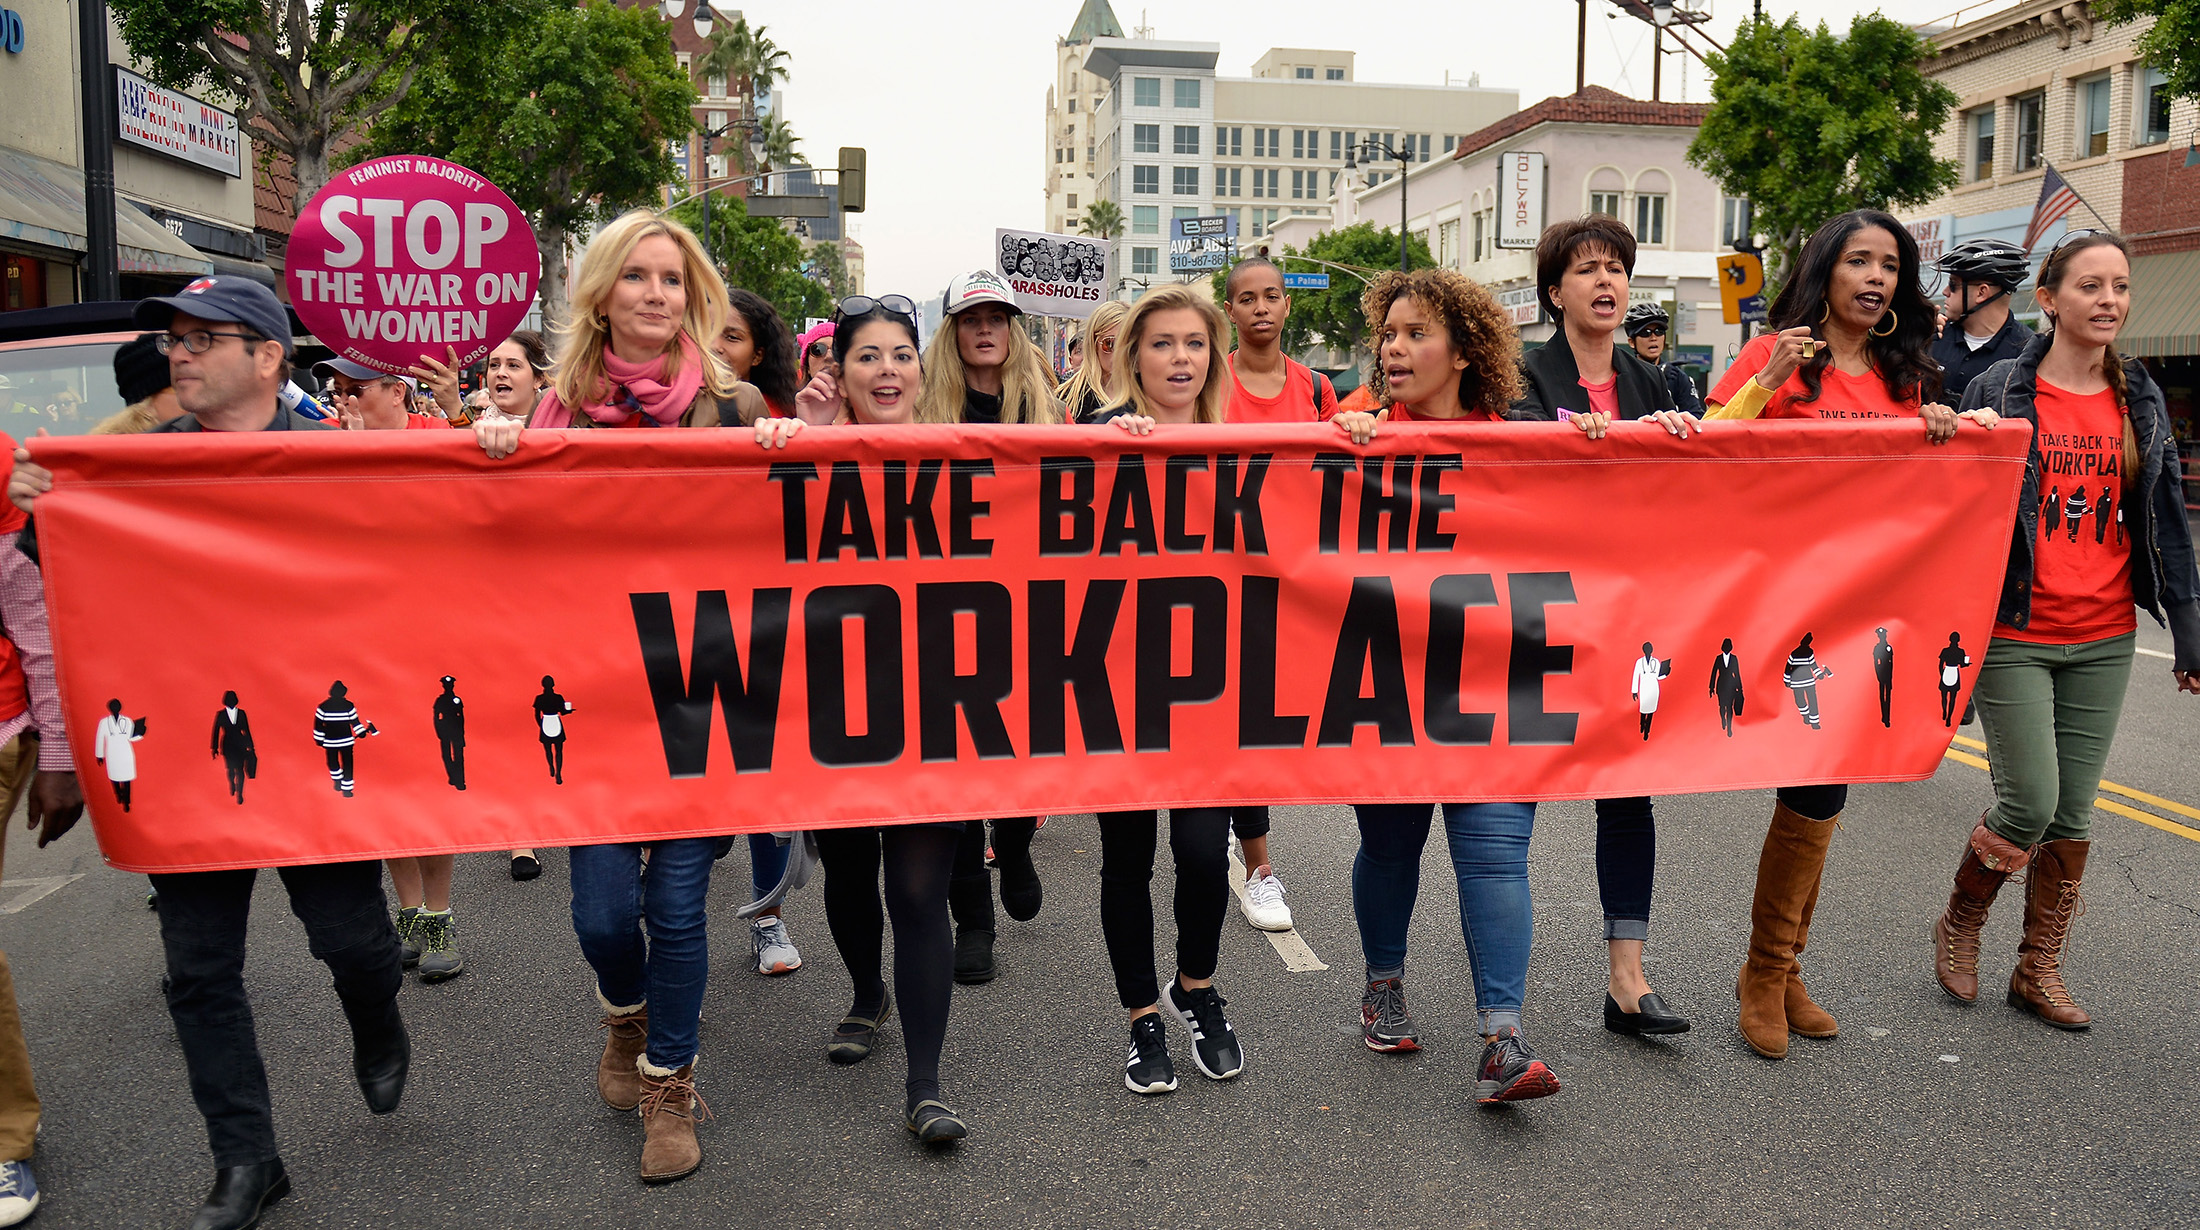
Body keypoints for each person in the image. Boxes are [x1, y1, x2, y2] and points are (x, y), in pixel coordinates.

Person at [9, 275, 409, 1230]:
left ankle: (377, 1010)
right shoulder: (126, 471)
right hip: (189, 758)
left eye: (201, 338)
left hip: (314, 752)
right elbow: (47, 582)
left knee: (350, 942)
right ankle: (245, 1159)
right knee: (198, 971)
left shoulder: (341, 463)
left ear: (268, 357)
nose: (177, 354)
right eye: (173, 340)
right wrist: (37, 507)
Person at [469, 210, 743, 1181]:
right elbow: (509, 540)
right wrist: (493, 456)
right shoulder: (556, 411)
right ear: (604, 292)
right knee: (596, 917)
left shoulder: (727, 404)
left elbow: (780, 526)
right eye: (637, 277)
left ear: (691, 295)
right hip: (587, 693)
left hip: (693, 687)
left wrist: (795, 443)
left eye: (672, 279)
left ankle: (669, 1083)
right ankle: (624, 1019)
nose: (657, 294)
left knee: (674, 905)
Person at [1703, 209, 1984, 1061]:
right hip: (1784, 607)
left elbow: (1923, 497)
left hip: (1871, 613)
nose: (1875, 277)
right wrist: (1768, 380)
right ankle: (1763, 973)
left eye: (1890, 265)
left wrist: (1939, 431)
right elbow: (1706, 453)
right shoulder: (1776, 355)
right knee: (1810, 781)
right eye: (1858, 261)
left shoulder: (1905, 374)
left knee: (1826, 785)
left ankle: (1783, 969)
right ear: (1823, 270)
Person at [1937, 230, 2200, 1027]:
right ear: (2048, 299)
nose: (2110, 300)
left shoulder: (2138, 395)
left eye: (2119, 286)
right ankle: (1961, 922)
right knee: (2030, 803)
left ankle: (2037, 968)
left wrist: (2189, 631)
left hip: (2106, 634)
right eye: (2091, 286)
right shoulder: (2000, 388)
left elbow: (2164, 519)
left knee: (2075, 815)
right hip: (2017, 627)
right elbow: (1951, 507)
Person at [1325, 267, 1562, 1102]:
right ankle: (1383, 984)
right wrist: (1336, 439)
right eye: (1387, 334)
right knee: (1391, 845)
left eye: (1415, 333)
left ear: (1462, 352)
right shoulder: (1350, 434)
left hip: (1495, 681)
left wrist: (1633, 443)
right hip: (1387, 677)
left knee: (1497, 854)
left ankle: (1503, 1038)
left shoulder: (1526, 445)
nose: (1394, 348)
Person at [755, 295, 970, 1143]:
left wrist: (1133, 431)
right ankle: (863, 995)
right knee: (849, 875)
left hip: (938, 707)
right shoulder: (804, 454)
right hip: (833, 703)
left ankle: (926, 1084)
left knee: (917, 888)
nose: (888, 370)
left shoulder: (973, 454)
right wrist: (782, 446)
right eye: (869, 356)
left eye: (902, 355)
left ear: (924, 369)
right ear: (836, 371)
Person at [1513, 215, 1702, 1039]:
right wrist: (1561, 444)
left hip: (1631, 610)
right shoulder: (1521, 373)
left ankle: (1628, 977)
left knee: (1630, 791)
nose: (1606, 282)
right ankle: (1499, 1001)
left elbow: (1696, 479)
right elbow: (1497, 461)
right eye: (1587, 269)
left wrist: (1678, 440)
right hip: (1538, 608)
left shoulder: (1652, 379)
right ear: (1556, 293)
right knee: (1509, 798)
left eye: (1618, 268)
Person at [1090, 285, 1248, 1095]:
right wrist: (1104, 448)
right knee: (1128, 858)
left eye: (1194, 343)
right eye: (1161, 343)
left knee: (1197, 852)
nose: (1180, 358)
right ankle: (1139, 1018)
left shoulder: (1250, 445)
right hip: (1115, 683)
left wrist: (1353, 430)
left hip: (1207, 689)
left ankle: (1195, 988)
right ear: (1130, 355)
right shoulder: (1092, 441)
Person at [919, 269, 1058, 984]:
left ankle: (1016, 836)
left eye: (998, 318)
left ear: (1013, 330)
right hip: (945, 609)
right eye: (972, 319)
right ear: (953, 331)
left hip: (1027, 607)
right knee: (957, 772)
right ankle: (972, 923)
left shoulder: (1047, 411)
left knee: (1012, 757)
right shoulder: (920, 411)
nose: (985, 329)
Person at [1217, 255, 1340, 932]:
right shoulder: (1210, 382)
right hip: (1216, 573)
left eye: (1273, 296)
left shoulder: (1316, 388)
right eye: (1247, 299)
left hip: (1288, 578)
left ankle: (1246, 846)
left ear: (1287, 306)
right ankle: (1258, 861)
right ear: (1229, 311)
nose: (1262, 307)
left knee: (1260, 720)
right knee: (1227, 713)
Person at [476, 331, 554, 879]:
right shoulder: (466, 434)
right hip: (496, 593)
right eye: (493, 366)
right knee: (509, 708)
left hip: (559, 591)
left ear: (538, 378)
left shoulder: (573, 433)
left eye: (513, 365)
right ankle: (519, 831)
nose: (501, 374)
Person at [1931, 238, 2034, 402]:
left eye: (1953, 284)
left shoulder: (2027, 352)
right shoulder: (1933, 336)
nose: (1945, 292)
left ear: (1981, 293)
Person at [712, 289, 799, 419]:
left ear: (757, 356)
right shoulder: (674, 406)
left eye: (732, 337)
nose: (714, 346)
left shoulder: (776, 423)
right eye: (706, 332)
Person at [92, 332, 185, 434]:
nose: (191, 397)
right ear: (146, 402)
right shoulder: (110, 448)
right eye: (181, 388)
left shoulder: (199, 439)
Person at [1621, 301, 1703, 416]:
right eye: (1646, 333)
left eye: (1659, 332)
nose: (1653, 338)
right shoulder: (1622, 375)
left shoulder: (1677, 377)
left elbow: (1696, 417)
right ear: (1631, 342)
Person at [1057, 300, 1127, 423]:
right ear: (1093, 346)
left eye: (1127, 343)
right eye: (1109, 343)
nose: (1118, 353)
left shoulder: (1152, 394)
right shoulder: (1066, 399)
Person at [93, 698, 142, 812]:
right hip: (112, 753)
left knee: (127, 780)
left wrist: (140, 732)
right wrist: (100, 755)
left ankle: (127, 802)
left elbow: (131, 737)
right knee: (114, 778)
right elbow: (100, 738)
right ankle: (119, 796)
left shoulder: (127, 721)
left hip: (125, 753)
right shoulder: (104, 722)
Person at [211, 691, 253, 805]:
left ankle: (239, 793)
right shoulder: (221, 714)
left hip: (240, 744)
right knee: (230, 769)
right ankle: (232, 784)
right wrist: (214, 748)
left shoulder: (242, 714)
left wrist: (250, 746)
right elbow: (216, 731)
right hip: (228, 745)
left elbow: (247, 730)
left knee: (240, 770)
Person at [533, 675, 573, 784]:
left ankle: (552, 766)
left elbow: (536, 714)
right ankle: (558, 772)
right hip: (554, 720)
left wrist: (540, 725)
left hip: (546, 721)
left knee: (548, 749)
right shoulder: (558, 697)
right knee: (559, 750)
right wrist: (568, 711)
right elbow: (563, 712)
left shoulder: (540, 698)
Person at [1709, 639, 1744, 737]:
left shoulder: (1734, 658)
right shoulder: (1718, 658)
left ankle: (1729, 727)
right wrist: (1711, 687)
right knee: (1722, 706)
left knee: (1729, 707)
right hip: (1721, 686)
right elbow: (1714, 673)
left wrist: (1740, 688)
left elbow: (1737, 673)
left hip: (1731, 686)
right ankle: (1723, 720)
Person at [1938, 633, 1972, 727]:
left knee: (1944, 696)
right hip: (1954, 671)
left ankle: (1944, 711)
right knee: (1953, 698)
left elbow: (1940, 664)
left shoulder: (1945, 650)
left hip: (1946, 670)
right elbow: (1962, 664)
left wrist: (1941, 674)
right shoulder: (1961, 651)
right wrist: (1967, 664)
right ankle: (1949, 717)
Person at [1874, 627, 1895, 727]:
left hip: (1887, 674)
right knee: (1882, 696)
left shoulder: (1888, 647)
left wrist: (1890, 677)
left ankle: (1887, 717)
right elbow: (1876, 662)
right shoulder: (1877, 648)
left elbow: (1891, 662)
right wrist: (1878, 674)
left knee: (1888, 697)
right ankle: (1884, 716)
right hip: (1882, 675)